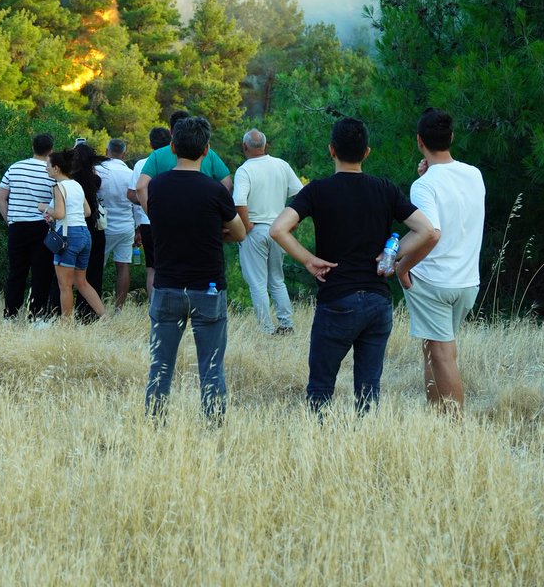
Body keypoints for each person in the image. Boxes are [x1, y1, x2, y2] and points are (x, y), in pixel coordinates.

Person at [270, 117, 438, 412]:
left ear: (331, 150)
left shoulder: (317, 191)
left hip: (337, 298)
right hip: (377, 300)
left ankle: (322, 448)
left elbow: (278, 229)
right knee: (368, 389)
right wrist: (393, 254)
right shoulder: (384, 189)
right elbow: (427, 230)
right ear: (367, 152)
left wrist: (309, 260)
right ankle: (362, 447)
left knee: (321, 387)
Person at [145, 116, 246, 417]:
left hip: (167, 285)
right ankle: (213, 425)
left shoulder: (157, 187)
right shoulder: (214, 191)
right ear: (207, 150)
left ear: (173, 147)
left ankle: (154, 422)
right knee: (212, 366)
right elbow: (239, 231)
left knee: (160, 365)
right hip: (208, 287)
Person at [404, 108, 485, 415]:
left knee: (441, 354)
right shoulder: (474, 174)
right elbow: (456, 208)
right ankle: (437, 417)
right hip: (467, 281)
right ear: (450, 138)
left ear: (419, 141)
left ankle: (453, 427)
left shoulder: (424, 185)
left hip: (434, 280)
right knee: (434, 349)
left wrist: (402, 266)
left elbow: (431, 234)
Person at [232, 128, 304, 335]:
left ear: (244, 146)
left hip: (256, 229)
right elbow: (301, 194)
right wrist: (292, 222)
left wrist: (246, 226)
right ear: (265, 145)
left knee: (257, 283)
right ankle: (286, 324)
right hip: (279, 230)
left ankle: (266, 329)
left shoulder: (245, 170)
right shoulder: (281, 165)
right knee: (276, 279)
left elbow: (239, 201)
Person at [38, 149, 108, 323]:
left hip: (68, 236)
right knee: (82, 282)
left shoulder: (58, 186)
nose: (46, 168)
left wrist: (45, 208)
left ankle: (66, 325)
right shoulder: (76, 185)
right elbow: (87, 211)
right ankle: (105, 318)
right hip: (84, 234)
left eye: (48, 165)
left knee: (65, 286)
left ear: (56, 169)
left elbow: (60, 214)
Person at [0, 133, 57, 321]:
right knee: (41, 273)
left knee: (16, 272)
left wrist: (9, 220)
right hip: (41, 226)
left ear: (33, 147)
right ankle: (36, 316)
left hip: (17, 227)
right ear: (51, 150)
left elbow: (0, 197)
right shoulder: (52, 172)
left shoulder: (15, 167)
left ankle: (10, 315)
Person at [135, 110, 232, 215]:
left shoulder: (157, 155)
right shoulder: (209, 153)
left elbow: (140, 187)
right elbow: (228, 184)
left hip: (168, 220)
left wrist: (152, 216)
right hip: (203, 218)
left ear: (171, 131)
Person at [128, 127, 170, 300]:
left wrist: (147, 201)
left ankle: (154, 306)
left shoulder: (141, 164)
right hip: (174, 219)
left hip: (148, 221)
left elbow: (131, 194)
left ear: (150, 143)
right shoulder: (178, 162)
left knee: (152, 267)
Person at [71, 142, 108, 322]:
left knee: (67, 276)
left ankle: (61, 312)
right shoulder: (95, 179)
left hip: (77, 229)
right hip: (96, 231)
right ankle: (88, 314)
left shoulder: (71, 180)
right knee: (93, 275)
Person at [97, 139, 137, 308]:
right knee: (123, 266)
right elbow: (136, 201)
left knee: (96, 267)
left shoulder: (98, 170)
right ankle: (119, 308)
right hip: (126, 225)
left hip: (103, 226)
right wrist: (138, 227)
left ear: (106, 151)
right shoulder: (131, 173)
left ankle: (94, 305)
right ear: (124, 154)